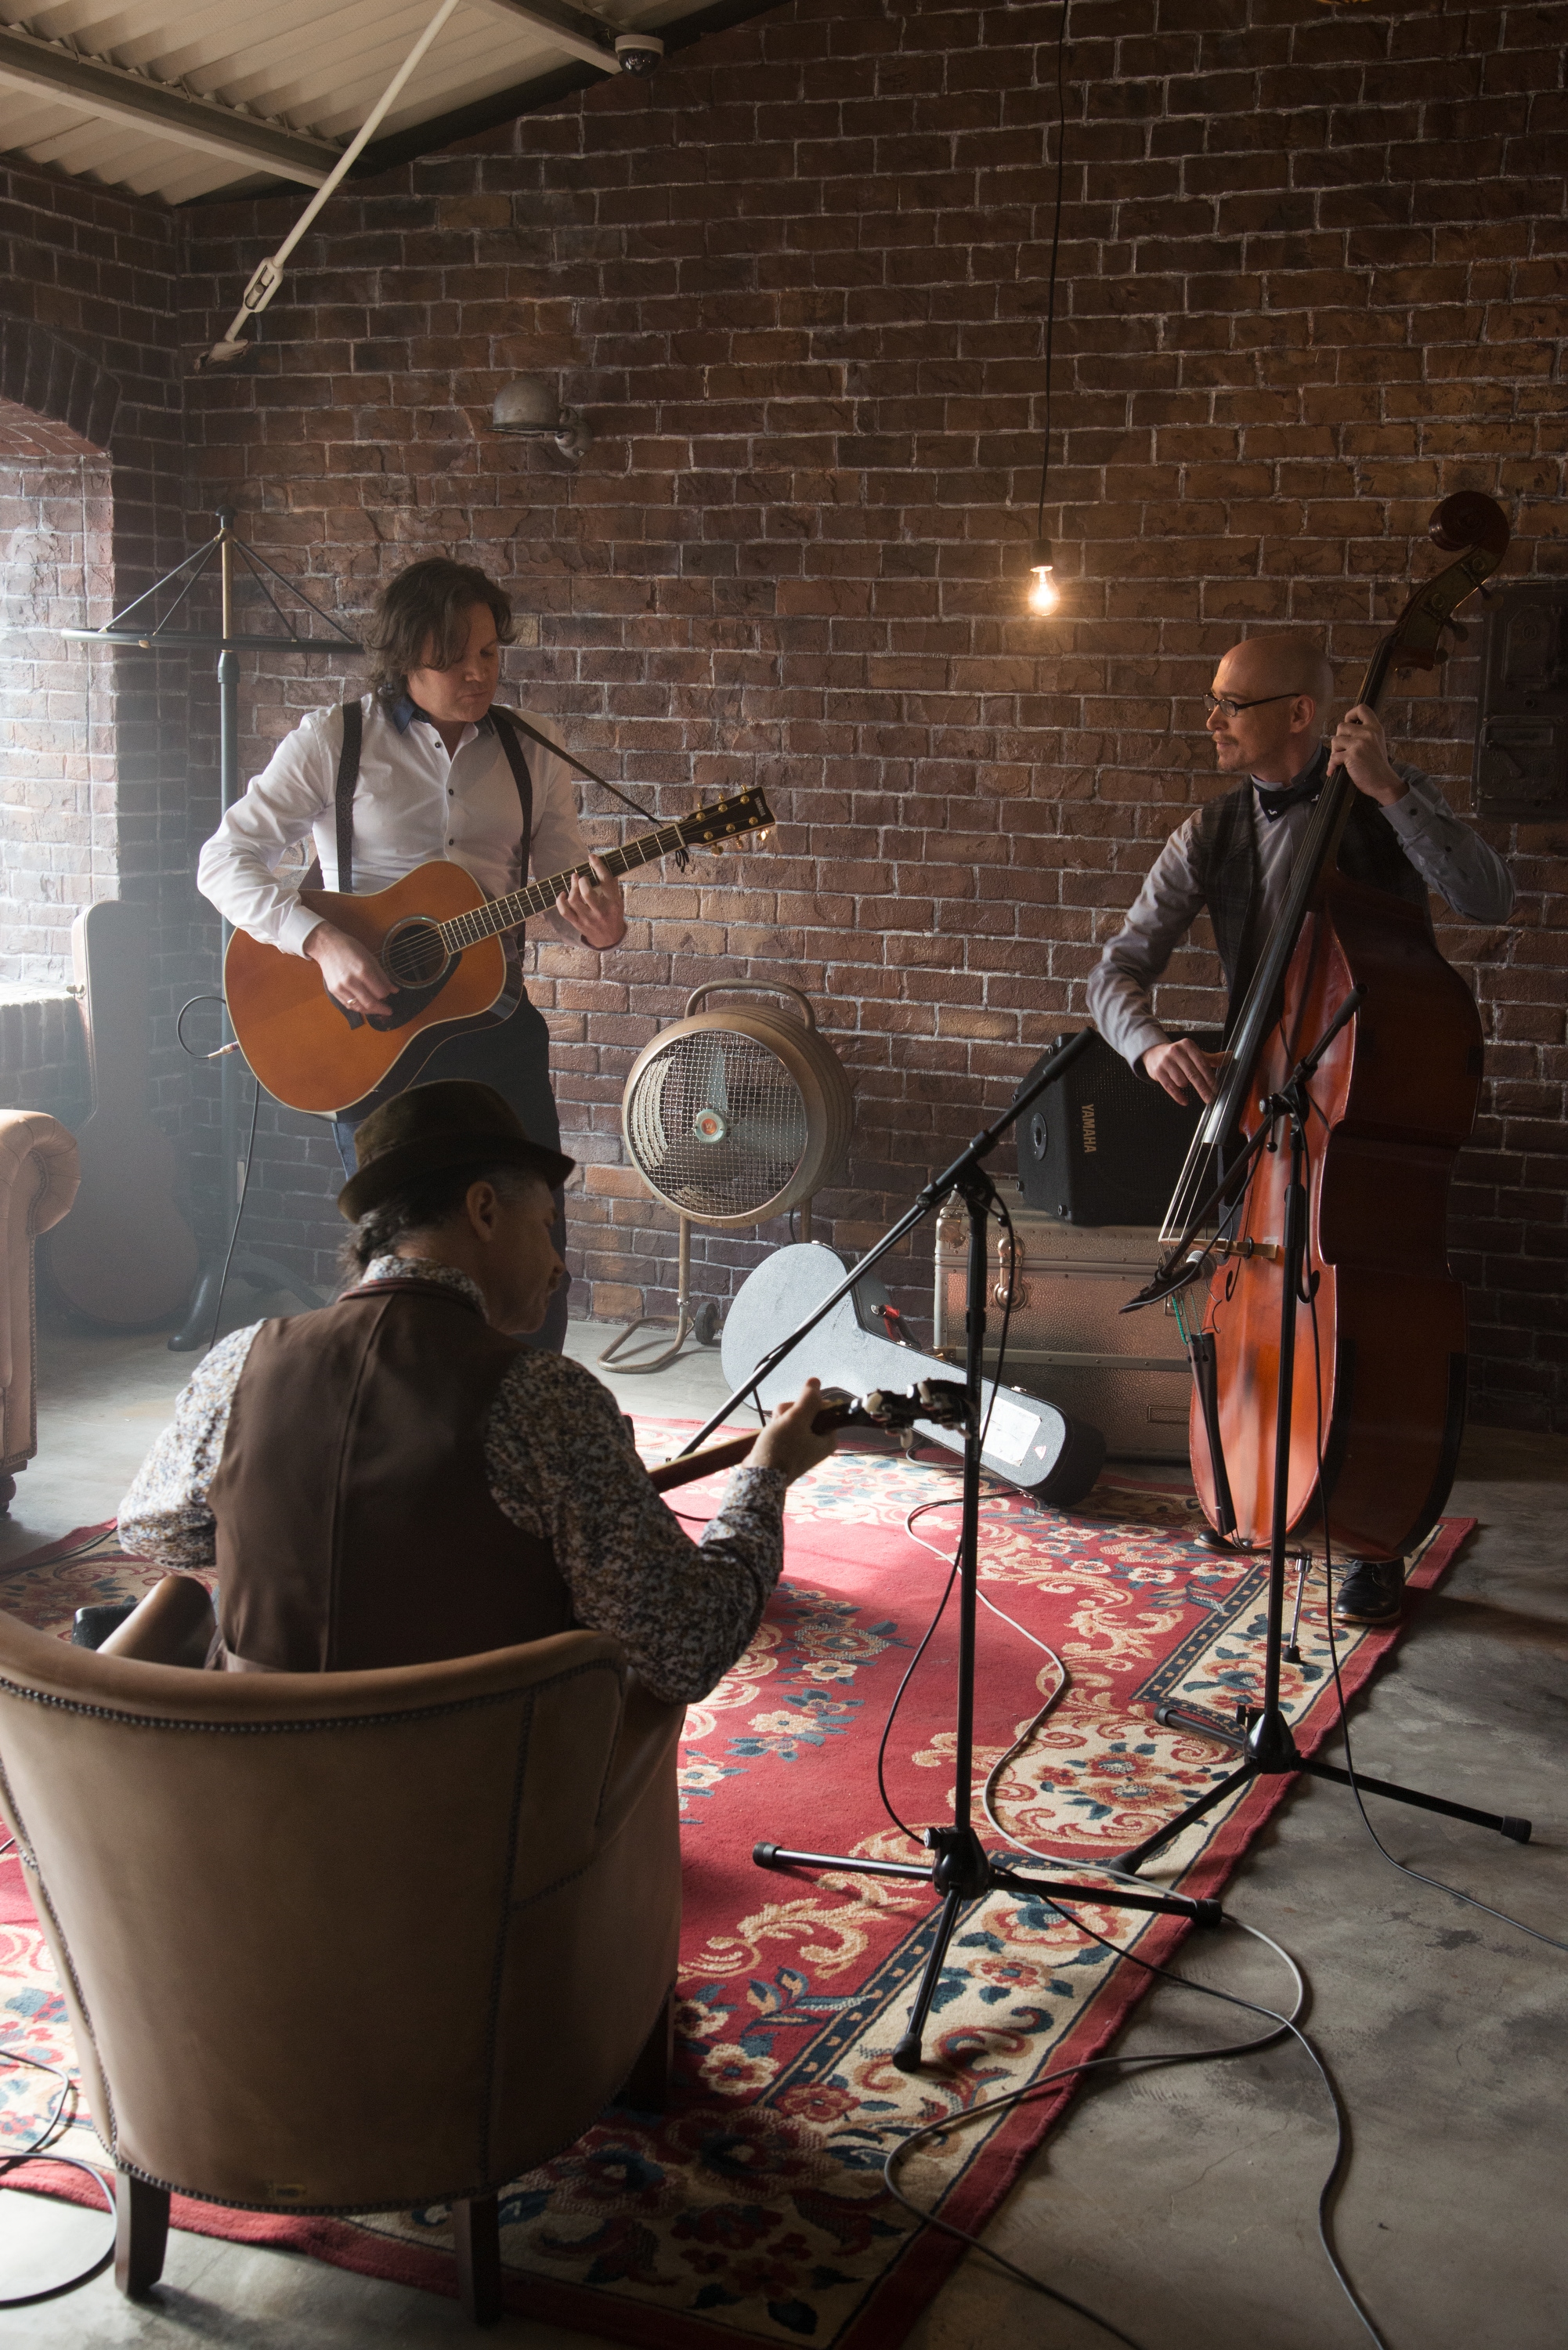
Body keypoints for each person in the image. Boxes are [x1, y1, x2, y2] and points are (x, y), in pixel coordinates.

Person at [117, 1081, 836, 1695]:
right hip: (462, 1793)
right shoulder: (543, 1395)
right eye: (547, 1226)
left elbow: (154, 1530)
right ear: (484, 1210)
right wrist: (767, 1474)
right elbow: (688, 1646)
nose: (557, 1265)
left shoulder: (240, 1361)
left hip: (249, 1786)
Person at [1086, 631, 1514, 1625]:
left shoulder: (1386, 799)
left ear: (1299, 713)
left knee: (1355, 1314)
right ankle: (1254, 1486)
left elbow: (1489, 896)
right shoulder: (1209, 831)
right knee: (1252, 1303)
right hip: (1260, 1111)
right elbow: (1115, 971)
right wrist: (1149, 1045)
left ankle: (1370, 1530)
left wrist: (1391, 789)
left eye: (1229, 704)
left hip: (1358, 1111)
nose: (1211, 720)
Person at [197, 557, 623, 1353]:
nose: (477, 674)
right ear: (403, 660)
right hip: (373, 1033)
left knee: (532, 1244)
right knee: (400, 1255)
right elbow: (224, 860)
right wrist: (320, 940)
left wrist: (597, 923)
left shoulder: (532, 750)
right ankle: (404, 1403)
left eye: (489, 652)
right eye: (452, 658)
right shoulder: (334, 740)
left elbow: (567, 892)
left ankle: (534, 1401)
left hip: (495, 1029)